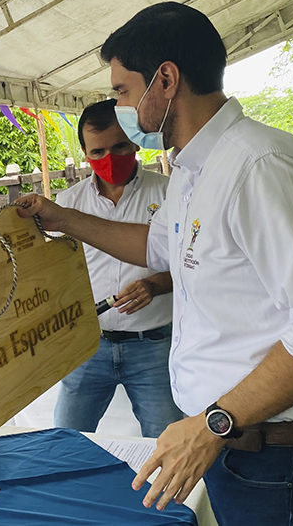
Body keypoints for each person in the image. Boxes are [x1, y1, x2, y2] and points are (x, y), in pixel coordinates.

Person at [15, 2, 293, 525]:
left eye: (123, 91)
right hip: (241, 441)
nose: (121, 107)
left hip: (280, 452)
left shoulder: (262, 165)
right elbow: (157, 245)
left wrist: (212, 424)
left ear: (165, 80)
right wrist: (62, 217)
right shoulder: (192, 170)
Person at [52, 99, 181, 437]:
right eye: (98, 152)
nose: (109, 159)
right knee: (66, 441)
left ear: (136, 142)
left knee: (165, 444)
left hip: (154, 347)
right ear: (85, 153)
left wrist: (154, 285)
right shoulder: (67, 205)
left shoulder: (170, 194)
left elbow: (194, 264)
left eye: (120, 146)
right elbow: (55, 274)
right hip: (87, 346)